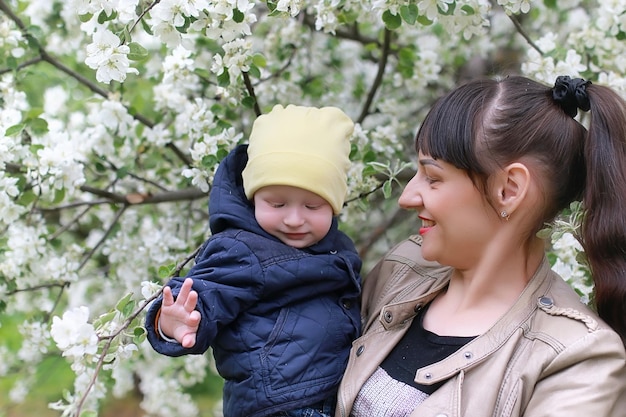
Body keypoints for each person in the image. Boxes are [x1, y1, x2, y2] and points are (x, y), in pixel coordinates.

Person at [335, 75, 626, 416]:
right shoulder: (400, 271)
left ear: (509, 189)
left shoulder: (576, 358)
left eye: (433, 178)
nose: (407, 196)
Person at [145, 104, 362, 417]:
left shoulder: (336, 247)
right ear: (252, 198)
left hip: (324, 396)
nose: (294, 219)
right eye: (277, 203)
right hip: (278, 405)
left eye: (313, 206)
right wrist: (173, 322)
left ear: (335, 206)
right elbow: (206, 292)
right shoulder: (242, 249)